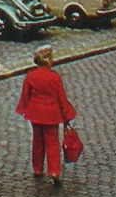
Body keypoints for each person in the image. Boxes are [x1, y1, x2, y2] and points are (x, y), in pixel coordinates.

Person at [16, 46, 78, 186]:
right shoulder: (55, 77)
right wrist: (67, 114)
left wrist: (23, 109)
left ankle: (37, 168)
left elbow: (25, 95)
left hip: (35, 113)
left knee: (37, 141)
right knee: (52, 143)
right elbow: (61, 98)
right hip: (51, 114)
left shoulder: (31, 75)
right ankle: (54, 171)